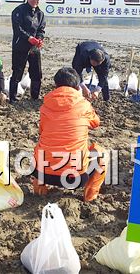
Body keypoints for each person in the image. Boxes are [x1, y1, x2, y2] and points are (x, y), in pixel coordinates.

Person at [32, 67, 107, 202]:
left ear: (56, 85)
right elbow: (96, 123)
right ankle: (90, 196)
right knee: (102, 154)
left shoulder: (45, 106)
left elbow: (42, 131)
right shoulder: (84, 105)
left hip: (44, 174)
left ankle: (39, 191)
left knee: (41, 148)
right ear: (77, 86)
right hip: (76, 177)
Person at [9, 0, 46, 104]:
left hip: (34, 48)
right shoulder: (19, 11)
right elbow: (17, 28)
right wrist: (29, 38)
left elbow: (41, 29)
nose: (36, 1)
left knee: (36, 72)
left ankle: (35, 96)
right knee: (17, 72)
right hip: (20, 46)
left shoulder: (40, 14)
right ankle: (13, 97)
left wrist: (39, 39)